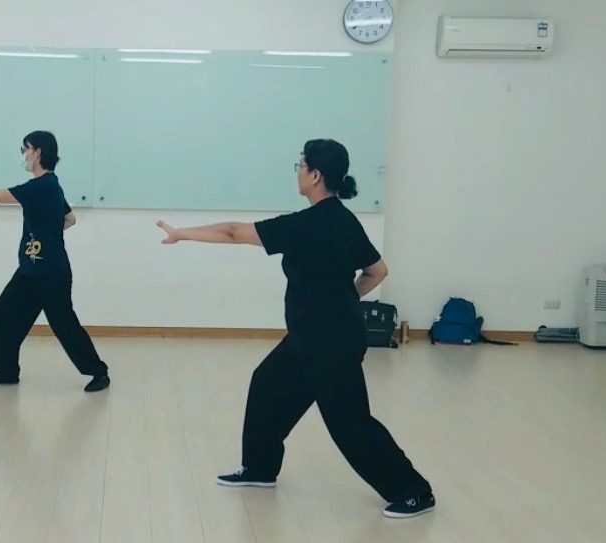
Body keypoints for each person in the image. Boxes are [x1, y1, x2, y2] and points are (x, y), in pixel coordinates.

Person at [155, 139, 434, 518]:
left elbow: (235, 232)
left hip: (330, 342)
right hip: (313, 335)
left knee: (349, 423)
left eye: (301, 165)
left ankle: (414, 491)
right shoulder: (343, 219)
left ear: (315, 175)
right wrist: (344, 300)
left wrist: (182, 233)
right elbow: (377, 271)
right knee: (267, 384)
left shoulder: (306, 224)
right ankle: (259, 468)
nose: (297, 171)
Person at [0, 131, 110, 392]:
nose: (23, 155)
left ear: (37, 152)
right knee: (3, 313)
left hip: (51, 272)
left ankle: (99, 373)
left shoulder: (42, 186)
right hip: (29, 269)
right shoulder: (51, 186)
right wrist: (48, 233)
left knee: (63, 324)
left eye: (25, 149)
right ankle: (6, 371)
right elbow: (70, 219)